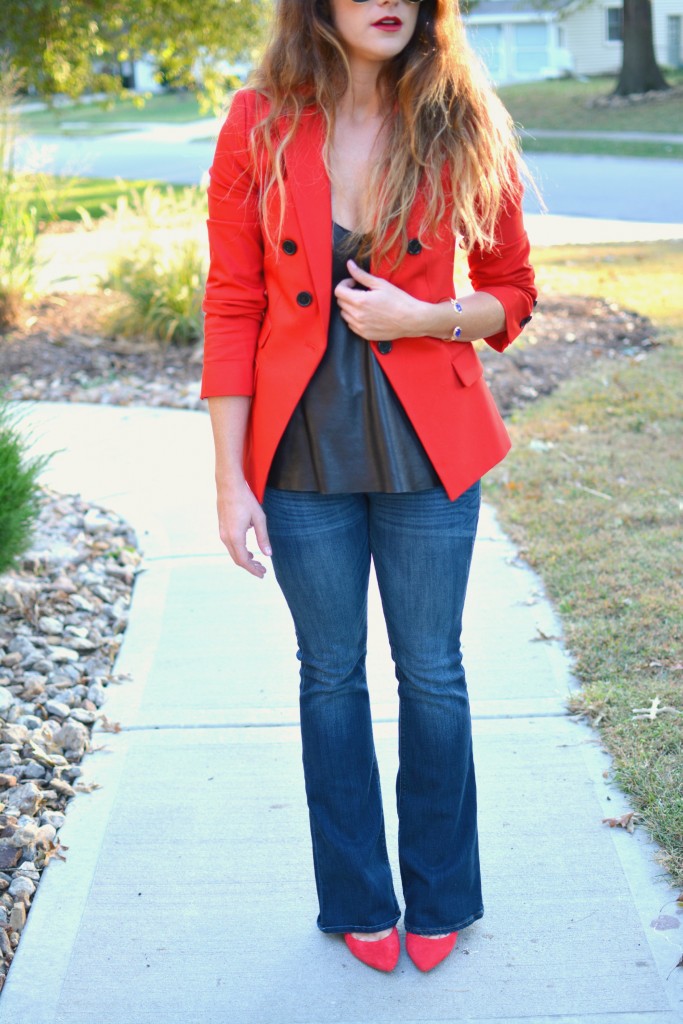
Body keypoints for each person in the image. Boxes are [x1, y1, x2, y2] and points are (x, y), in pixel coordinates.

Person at [201, 0, 538, 975]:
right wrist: (228, 480)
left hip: (428, 451)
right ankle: (355, 894)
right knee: (329, 674)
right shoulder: (257, 121)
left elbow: (512, 289)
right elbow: (231, 300)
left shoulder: (463, 119)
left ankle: (441, 890)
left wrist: (425, 317)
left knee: (432, 672)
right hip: (300, 453)